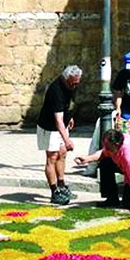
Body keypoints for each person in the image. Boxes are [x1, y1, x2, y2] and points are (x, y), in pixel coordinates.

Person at [36, 64, 82, 206]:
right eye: (74, 83)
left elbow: (66, 106)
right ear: (67, 79)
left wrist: (70, 117)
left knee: (62, 154)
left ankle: (62, 184)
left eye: (77, 82)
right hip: (49, 127)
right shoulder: (56, 91)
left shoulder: (70, 86)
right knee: (52, 157)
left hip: (62, 124)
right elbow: (58, 121)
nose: (76, 85)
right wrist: (67, 140)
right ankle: (54, 191)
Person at [75, 129, 130, 209]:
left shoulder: (129, 156)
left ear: (116, 145)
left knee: (128, 203)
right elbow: (103, 153)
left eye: (108, 147)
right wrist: (87, 159)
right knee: (105, 162)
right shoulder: (113, 146)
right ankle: (111, 198)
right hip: (126, 168)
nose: (106, 149)